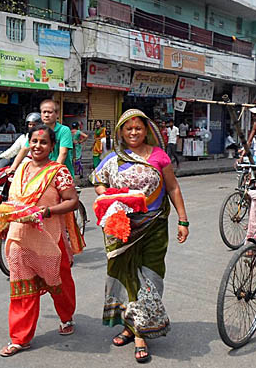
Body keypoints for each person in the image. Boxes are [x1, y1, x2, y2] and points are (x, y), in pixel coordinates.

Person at [91, 109, 189, 364]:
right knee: (125, 275)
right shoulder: (114, 157)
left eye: (138, 128)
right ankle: (134, 329)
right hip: (122, 226)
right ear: (121, 132)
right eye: (128, 128)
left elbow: (173, 188)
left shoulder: (159, 156)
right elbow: (98, 181)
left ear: (147, 130)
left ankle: (138, 332)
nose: (133, 132)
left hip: (154, 227)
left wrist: (183, 220)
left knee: (150, 278)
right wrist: (110, 197)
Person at [0, 125, 79, 357]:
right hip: (19, 239)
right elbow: (12, 202)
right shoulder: (21, 169)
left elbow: (71, 201)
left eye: (43, 142)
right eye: (34, 141)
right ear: (28, 143)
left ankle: (66, 317)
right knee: (22, 288)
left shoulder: (58, 172)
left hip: (49, 240)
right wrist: (3, 224)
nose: (37, 146)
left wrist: (47, 212)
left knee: (59, 284)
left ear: (52, 147)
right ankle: (20, 338)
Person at [7, 100, 75, 177]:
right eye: (44, 112)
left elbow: (63, 153)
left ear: (57, 114)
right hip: (42, 173)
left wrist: (54, 171)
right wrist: (13, 167)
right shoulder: (37, 130)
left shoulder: (64, 130)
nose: (46, 115)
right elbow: (24, 149)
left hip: (61, 174)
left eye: (49, 112)